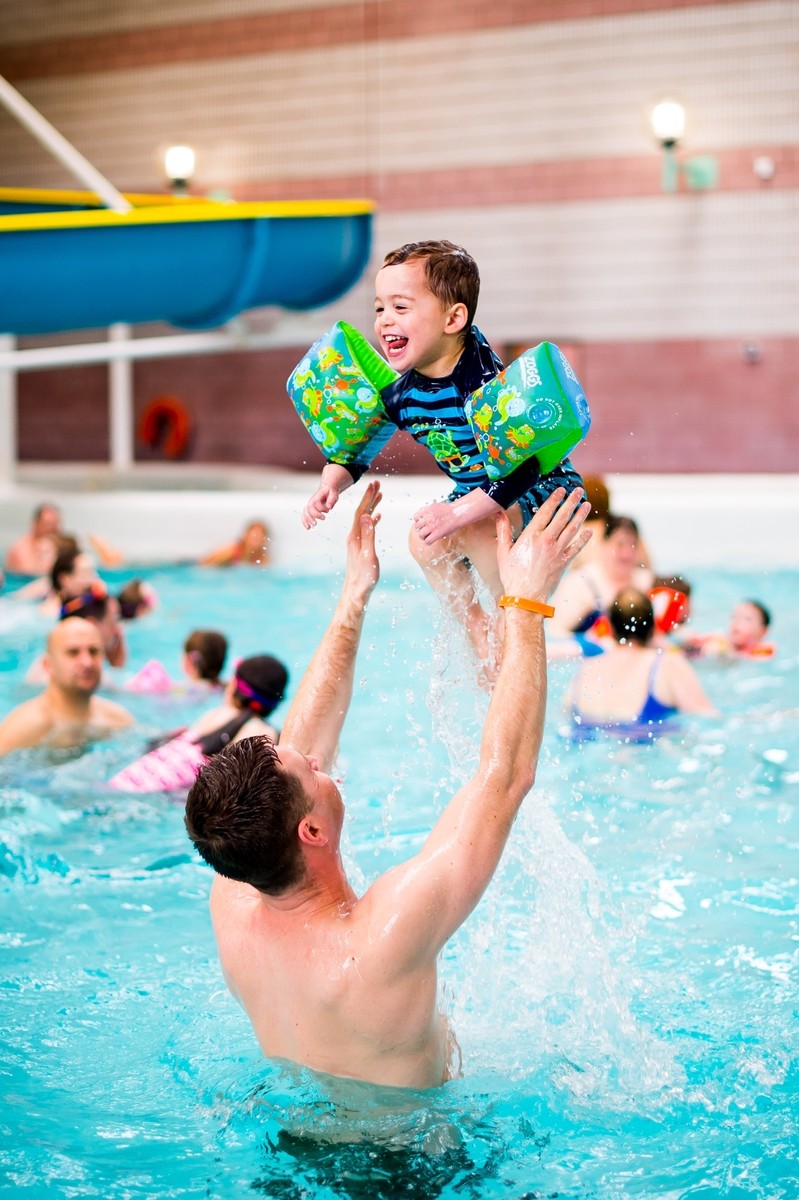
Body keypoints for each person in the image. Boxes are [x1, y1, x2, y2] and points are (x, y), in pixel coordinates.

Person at [184, 482, 591, 1089]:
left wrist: (354, 593)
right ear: (312, 830)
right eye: (314, 774)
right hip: (408, 1167)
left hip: (291, 1157)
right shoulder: (382, 937)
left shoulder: (235, 890)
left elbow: (301, 744)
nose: (323, 763)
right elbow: (504, 780)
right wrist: (526, 605)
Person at [301, 240, 583, 668]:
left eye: (401, 307)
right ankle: (477, 626)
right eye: (379, 309)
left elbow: (525, 465)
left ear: (454, 318)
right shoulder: (402, 394)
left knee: (468, 527)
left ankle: (510, 614)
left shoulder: (482, 382)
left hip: (541, 491)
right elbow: (358, 448)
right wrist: (331, 482)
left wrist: (457, 514)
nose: (385, 321)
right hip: (481, 500)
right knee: (422, 540)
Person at [109, 652, 288, 793]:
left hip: (126, 779)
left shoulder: (215, 714)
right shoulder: (266, 734)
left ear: (234, 685)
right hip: (162, 795)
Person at [568, 587, 717, 742]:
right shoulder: (667, 663)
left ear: (610, 628)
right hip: (639, 751)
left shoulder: (587, 666)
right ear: (653, 627)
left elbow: (564, 714)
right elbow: (708, 719)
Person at [0, 617, 133, 757]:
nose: (87, 662)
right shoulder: (24, 729)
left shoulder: (118, 719)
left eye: (94, 651)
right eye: (73, 652)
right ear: (48, 665)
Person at [548, 514, 653, 645]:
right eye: (620, 545)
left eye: (632, 545)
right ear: (604, 546)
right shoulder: (580, 582)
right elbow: (554, 634)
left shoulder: (645, 581)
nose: (626, 553)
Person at [683, 599, 775, 660]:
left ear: (763, 632)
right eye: (734, 617)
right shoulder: (719, 639)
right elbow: (694, 640)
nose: (737, 622)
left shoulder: (763, 651)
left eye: (747, 619)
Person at [3, 503, 63, 577]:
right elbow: (28, 574)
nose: (53, 529)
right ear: (36, 523)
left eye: (56, 524)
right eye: (48, 524)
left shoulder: (60, 547)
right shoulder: (21, 547)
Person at [200, 520, 271, 567]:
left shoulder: (262, 558)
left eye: (259, 538)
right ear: (246, 536)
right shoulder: (231, 550)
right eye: (254, 537)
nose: (255, 541)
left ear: (263, 541)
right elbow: (204, 565)